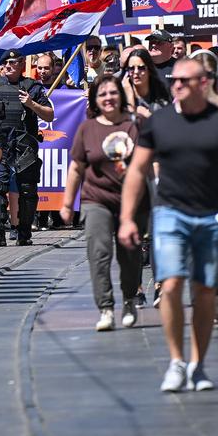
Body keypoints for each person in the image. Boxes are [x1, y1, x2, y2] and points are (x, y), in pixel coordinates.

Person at [120, 57, 218, 393]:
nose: (177, 85)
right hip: (169, 213)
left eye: (184, 80)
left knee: (204, 291)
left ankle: (198, 363)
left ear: (203, 83)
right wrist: (127, 217)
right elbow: (137, 171)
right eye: (174, 80)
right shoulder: (159, 122)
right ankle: (176, 361)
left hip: (212, 215)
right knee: (170, 285)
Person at [60, 74, 145, 331]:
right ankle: (106, 308)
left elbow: (147, 166)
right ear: (96, 100)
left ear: (121, 96)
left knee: (130, 256)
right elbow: (76, 168)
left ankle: (129, 298)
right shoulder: (87, 128)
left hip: (131, 203)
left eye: (113, 93)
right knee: (99, 254)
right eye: (102, 94)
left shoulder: (134, 127)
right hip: (95, 199)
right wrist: (66, 204)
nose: (108, 98)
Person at [0, 52, 54, 247]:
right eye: (4, 63)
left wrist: (31, 103)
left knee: (27, 189)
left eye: (12, 62)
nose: (7, 66)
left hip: (25, 144)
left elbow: (49, 115)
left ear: (22, 63)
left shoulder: (33, 87)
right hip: (1, 144)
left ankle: (24, 232)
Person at [121, 48, 171, 120]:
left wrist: (146, 114)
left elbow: (166, 124)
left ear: (149, 70)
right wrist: (129, 98)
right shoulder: (120, 94)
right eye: (131, 68)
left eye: (141, 68)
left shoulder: (161, 92)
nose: (136, 72)